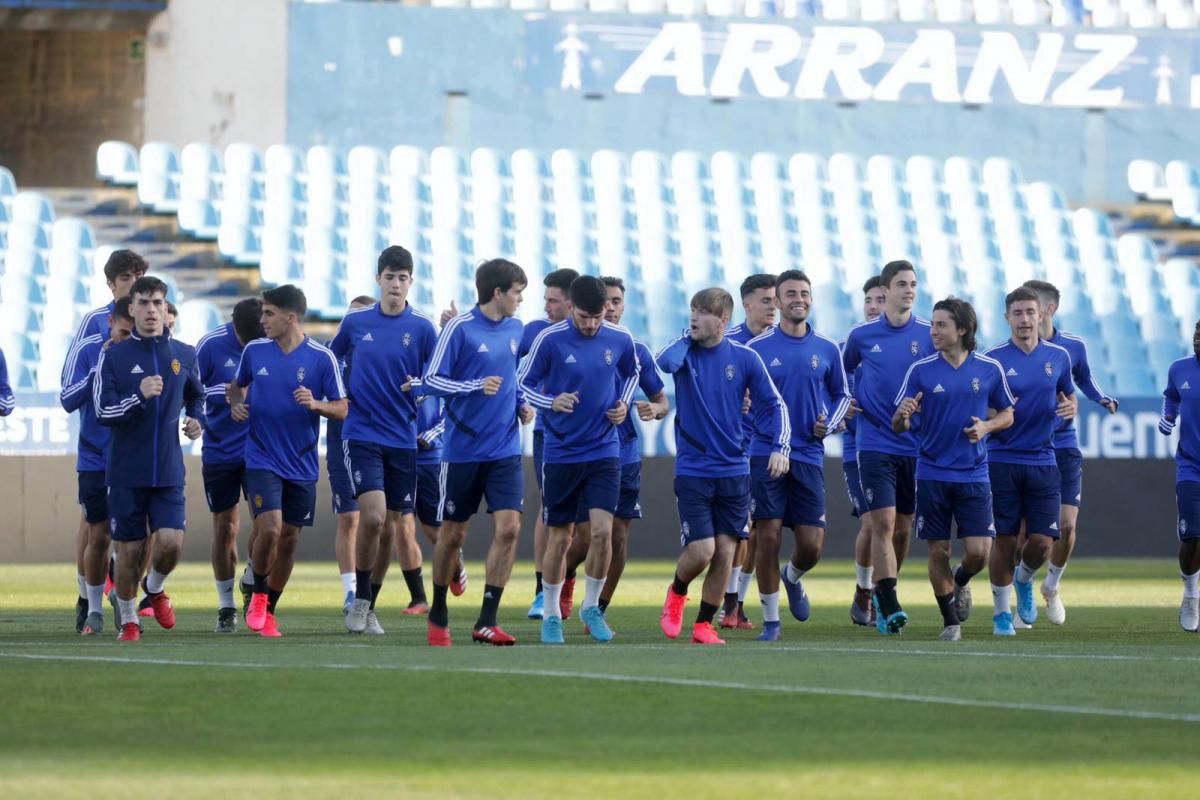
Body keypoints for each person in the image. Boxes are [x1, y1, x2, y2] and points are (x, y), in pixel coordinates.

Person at [656, 288, 789, 645]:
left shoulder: (744, 358)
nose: (694, 317)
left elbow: (774, 405)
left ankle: (703, 625)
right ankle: (677, 593)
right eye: (693, 311)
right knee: (703, 550)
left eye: (703, 312)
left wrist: (780, 446)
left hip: (734, 469)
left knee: (727, 551)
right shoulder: (685, 353)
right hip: (694, 468)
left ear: (723, 320)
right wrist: (689, 336)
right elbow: (663, 362)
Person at [518, 275, 639, 644]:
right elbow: (521, 383)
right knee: (561, 537)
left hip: (604, 450)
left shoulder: (620, 339)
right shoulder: (549, 340)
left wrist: (623, 403)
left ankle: (591, 607)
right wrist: (550, 402)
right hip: (561, 451)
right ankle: (552, 613)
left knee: (603, 532)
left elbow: (632, 374)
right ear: (571, 308)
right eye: (584, 316)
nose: (590, 324)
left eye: (597, 317)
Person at [420, 259, 534, 646]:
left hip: (505, 449)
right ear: (498, 292)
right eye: (517, 291)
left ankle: (487, 619)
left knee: (510, 528)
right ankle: (438, 610)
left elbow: (510, 377)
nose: (521, 299)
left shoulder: (517, 329)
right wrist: (473, 387)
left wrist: (520, 403)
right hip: (463, 451)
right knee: (452, 536)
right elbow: (430, 381)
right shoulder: (458, 329)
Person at [229, 285, 348, 638]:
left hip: (302, 462)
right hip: (262, 457)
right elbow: (236, 387)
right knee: (271, 528)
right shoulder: (254, 351)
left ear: (290, 317)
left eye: (269, 313)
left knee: (290, 538)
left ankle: (269, 607)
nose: (262, 320)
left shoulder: (320, 358)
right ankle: (260, 593)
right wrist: (236, 403)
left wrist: (317, 405)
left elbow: (342, 407)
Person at [893, 297, 1014, 641]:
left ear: (962, 329)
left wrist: (987, 428)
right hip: (931, 473)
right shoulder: (921, 371)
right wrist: (902, 414)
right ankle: (950, 622)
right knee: (938, 551)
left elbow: (1007, 413)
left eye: (941, 324)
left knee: (979, 553)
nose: (933, 331)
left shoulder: (989, 369)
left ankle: (960, 580)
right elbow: (898, 425)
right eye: (932, 324)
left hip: (974, 474)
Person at [94, 276, 205, 642]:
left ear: (166, 308)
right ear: (132, 308)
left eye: (158, 302)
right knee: (130, 551)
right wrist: (138, 397)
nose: (152, 310)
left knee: (171, 542)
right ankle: (128, 619)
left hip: (169, 469)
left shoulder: (185, 355)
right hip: (127, 471)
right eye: (144, 303)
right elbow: (102, 410)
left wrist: (196, 420)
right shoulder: (114, 356)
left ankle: (154, 589)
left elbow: (197, 396)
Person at [335, 246, 439, 635]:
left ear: (411, 282)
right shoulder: (357, 322)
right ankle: (360, 601)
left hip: (403, 438)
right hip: (362, 433)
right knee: (374, 516)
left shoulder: (424, 328)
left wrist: (422, 387)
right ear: (378, 279)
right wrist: (342, 394)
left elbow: (439, 374)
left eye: (403, 277)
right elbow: (334, 361)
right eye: (390, 276)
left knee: (392, 525)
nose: (396, 284)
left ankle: (367, 603)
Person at [747, 271, 851, 641]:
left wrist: (831, 423)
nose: (799, 299)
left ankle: (792, 577)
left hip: (808, 452)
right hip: (766, 451)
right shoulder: (757, 349)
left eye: (805, 293)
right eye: (790, 293)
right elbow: (739, 396)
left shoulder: (826, 348)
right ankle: (771, 621)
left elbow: (842, 395)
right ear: (777, 299)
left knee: (811, 545)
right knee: (768, 534)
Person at [560, 277, 668, 627]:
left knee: (617, 536)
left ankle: (598, 609)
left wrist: (655, 410)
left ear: (623, 306)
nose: (610, 308)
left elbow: (660, 399)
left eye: (616, 301)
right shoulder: (569, 342)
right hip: (581, 451)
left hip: (624, 451)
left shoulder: (634, 348)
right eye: (605, 301)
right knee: (585, 534)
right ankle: (563, 581)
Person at [842, 260, 934, 634]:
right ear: (886, 289)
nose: (909, 289)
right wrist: (845, 400)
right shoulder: (862, 336)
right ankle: (887, 603)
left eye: (913, 283)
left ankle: (878, 593)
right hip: (874, 441)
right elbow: (840, 375)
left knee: (903, 528)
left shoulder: (931, 333)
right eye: (902, 283)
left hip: (916, 444)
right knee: (881, 522)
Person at [1021, 280, 1119, 625]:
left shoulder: (1071, 348)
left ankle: (1051, 586)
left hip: (1062, 444)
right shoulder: (1014, 351)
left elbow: (1085, 380)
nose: (1026, 316)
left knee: (1066, 526)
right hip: (1025, 448)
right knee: (1026, 533)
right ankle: (1022, 589)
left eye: (1033, 308)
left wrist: (1101, 398)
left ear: (1048, 310)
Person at [61, 248, 147, 628]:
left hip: (138, 449)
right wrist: (102, 362)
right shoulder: (93, 325)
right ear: (112, 284)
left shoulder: (153, 324)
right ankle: (88, 598)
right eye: (125, 279)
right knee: (95, 528)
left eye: (137, 277)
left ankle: (125, 595)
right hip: (99, 447)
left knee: (139, 533)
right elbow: (69, 390)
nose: (132, 285)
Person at [983, 288, 1077, 635]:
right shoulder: (992, 360)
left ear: (1041, 316)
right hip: (1002, 458)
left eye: (1030, 313)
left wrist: (1072, 406)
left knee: (1041, 542)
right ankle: (1001, 614)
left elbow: (1068, 396)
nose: (1024, 320)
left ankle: (1024, 579)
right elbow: (983, 406)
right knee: (1005, 539)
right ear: (1007, 318)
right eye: (1017, 313)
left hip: (1043, 458)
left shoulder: (1059, 357)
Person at [195, 298, 265, 633]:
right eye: (244, 341)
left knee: (268, 524)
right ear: (234, 327)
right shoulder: (209, 346)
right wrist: (217, 392)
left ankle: (252, 573)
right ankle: (226, 606)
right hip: (220, 450)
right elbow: (188, 391)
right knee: (225, 527)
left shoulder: (270, 343)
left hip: (261, 450)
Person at [519, 268, 580, 621]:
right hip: (550, 434)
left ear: (571, 304)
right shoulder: (535, 332)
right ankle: (543, 591)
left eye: (553, 301)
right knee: (550, 510)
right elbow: (510, 365)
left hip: (594, 441)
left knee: (592, 529)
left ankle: (567, 583)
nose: (546, 307)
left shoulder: (597, 332)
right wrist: (522, 401)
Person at [721, 273, 778, 629]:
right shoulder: (725, 343)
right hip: (731, 450)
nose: (774, 307)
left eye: (776, 300)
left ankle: (735, 603)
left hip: (766, 449)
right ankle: (727, 603)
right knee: (737, 531)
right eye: (766, 300)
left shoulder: (784, 342)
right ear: (747, 304)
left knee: (755, 530)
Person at [841, 276, 886, 626]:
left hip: (901, 450)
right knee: (873, 523)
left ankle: (884, 593)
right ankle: (865, 591)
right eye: (869, 300)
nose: (873, 306)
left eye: (880, 299)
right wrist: (841, 411)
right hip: (857, 450)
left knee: (896, 528)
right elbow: (826, 390)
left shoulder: (910, 346)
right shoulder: (849, 347)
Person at [327, 296, 375, 613]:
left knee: (384, 519)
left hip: (378, 444)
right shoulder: (331, 353)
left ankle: (372, 587)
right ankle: (351, 590)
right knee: (349, 518)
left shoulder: (379, 352)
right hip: (341, 442)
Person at [1157, 320, 1200, 632]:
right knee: (1191, 537)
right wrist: (1168, 415)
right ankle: (1190, 594)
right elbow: (1171, 396)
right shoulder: (1180, 368)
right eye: (1197, 334)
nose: (1198, 341)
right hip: (1190, 466)